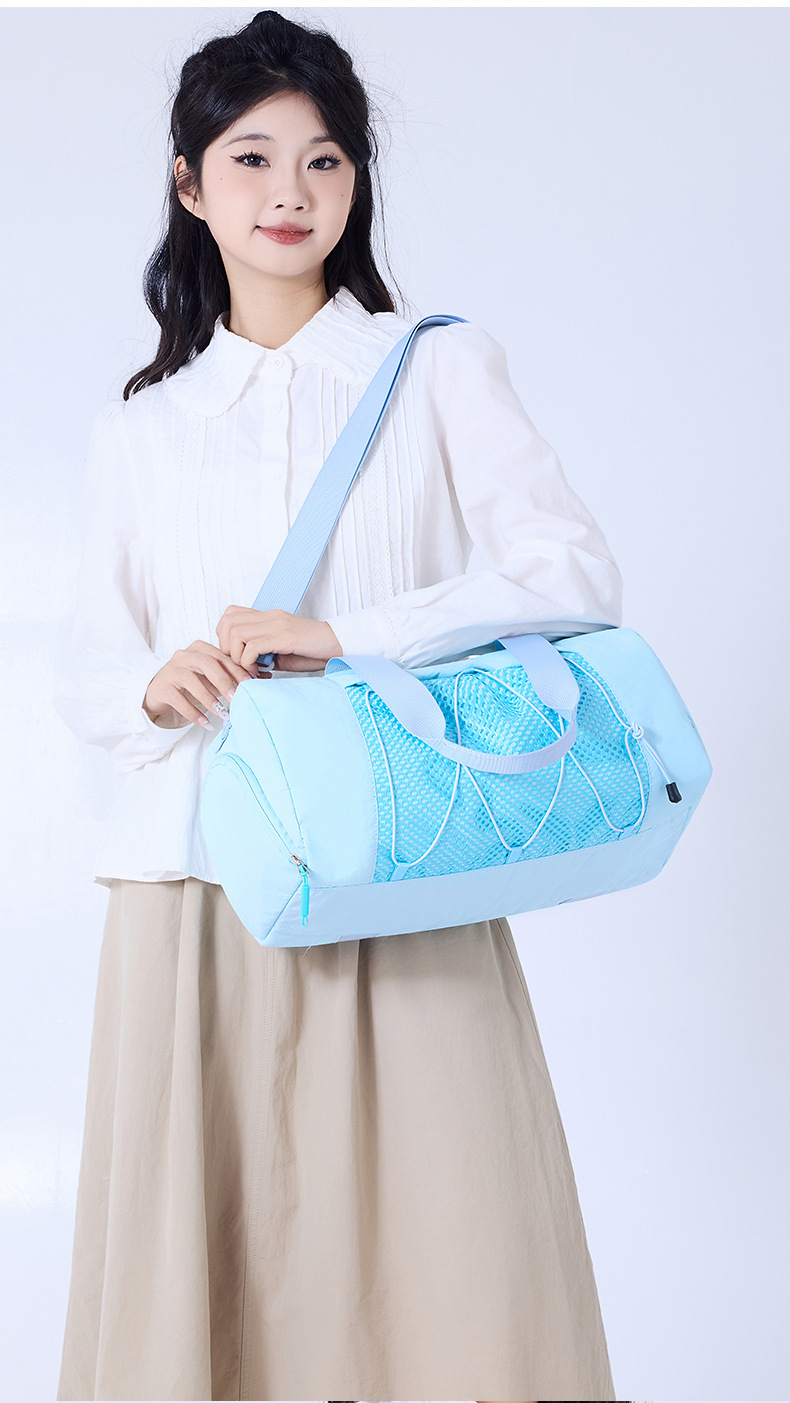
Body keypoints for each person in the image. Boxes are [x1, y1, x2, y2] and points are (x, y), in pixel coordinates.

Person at [53, 10, 624, 1401]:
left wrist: (345, 639)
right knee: (205, 1276)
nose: (291, 192)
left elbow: (571, 573)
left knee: (458, 1256)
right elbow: (87, 661)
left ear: (357, 181)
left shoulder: (429, 367)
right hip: (196, 879)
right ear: (189, 184)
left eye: (323, 159)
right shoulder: (143, 426)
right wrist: (151, 682)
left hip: (399, 856)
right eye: (251, 159)